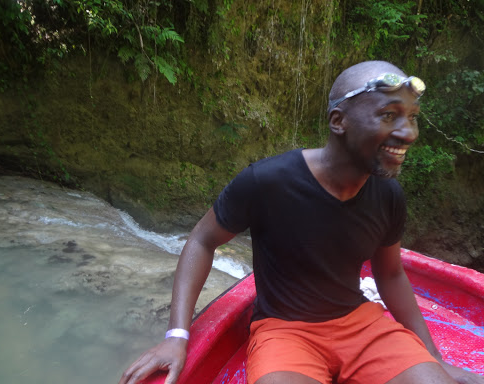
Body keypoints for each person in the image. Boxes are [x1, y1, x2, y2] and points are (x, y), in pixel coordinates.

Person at [119, 61, 484, 384]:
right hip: (284, 330)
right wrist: (177, 336)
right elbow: (201, 241)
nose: (408, 133)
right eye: (389, 115)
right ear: (338, 121)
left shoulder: (388, 194)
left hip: (361, 323)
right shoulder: (267, 181)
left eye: (412, 117)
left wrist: (433, 358)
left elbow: (389, 274)